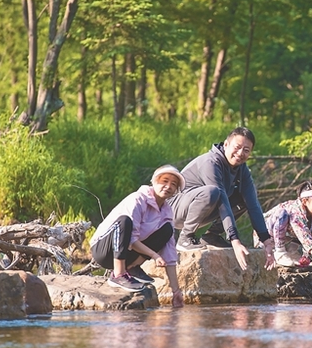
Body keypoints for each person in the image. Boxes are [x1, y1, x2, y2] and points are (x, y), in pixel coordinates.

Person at [169, 127, 275, 271]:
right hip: (175, 211)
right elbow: (222, 201)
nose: (240, 153)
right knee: (214, 192)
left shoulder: (242, 169)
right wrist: (235, 240)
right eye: (237, 147)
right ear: (226, 144)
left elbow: (253, 205)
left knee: (243, 197)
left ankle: (212, 235)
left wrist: (267, 241)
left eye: (246, 150)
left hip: (202, 207)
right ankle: (185, 238)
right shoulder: (211, 162)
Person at [90, 165, 185, 307]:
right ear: (153, 182)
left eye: (173, 184)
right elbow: (130, 238)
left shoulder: (166, 212)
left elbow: (170, 254)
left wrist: (176, 291)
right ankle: (118, 274)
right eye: (164, 181)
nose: (168, 186)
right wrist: (154, 255)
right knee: (124, 221)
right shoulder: (138, 199)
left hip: (127, 252)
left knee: (167, 230)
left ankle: (132, 267)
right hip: (104, 249)